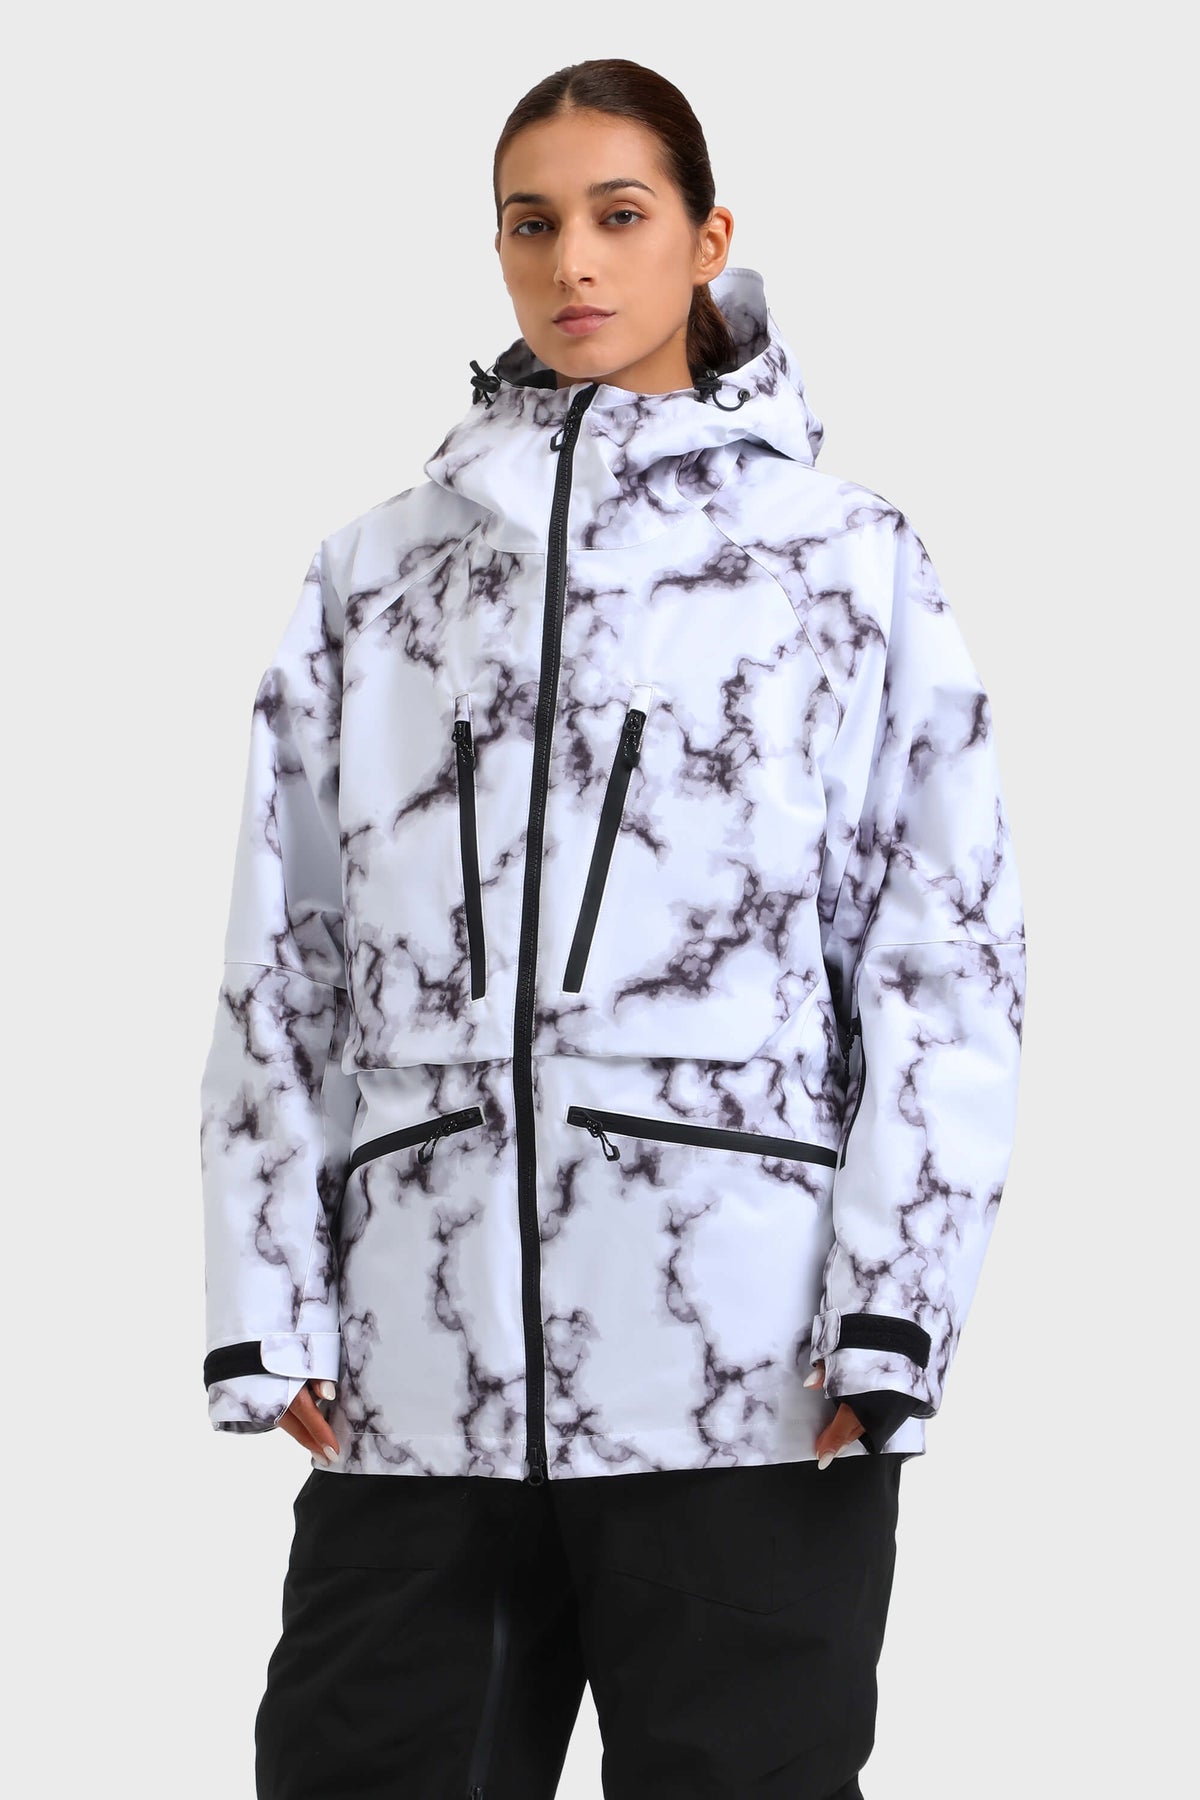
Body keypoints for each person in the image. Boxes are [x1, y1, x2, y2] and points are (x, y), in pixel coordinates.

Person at [199, 56, 1026, 1800]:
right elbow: (289, 952)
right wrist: (268, 1296)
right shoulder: (377, 574)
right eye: (531, 223)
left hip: (746, 1361)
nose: (572, 259)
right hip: (425, 1370)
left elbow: (941, 954)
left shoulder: (842, 559)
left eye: (619, 215)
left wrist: (896, 1311)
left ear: (707, 240)